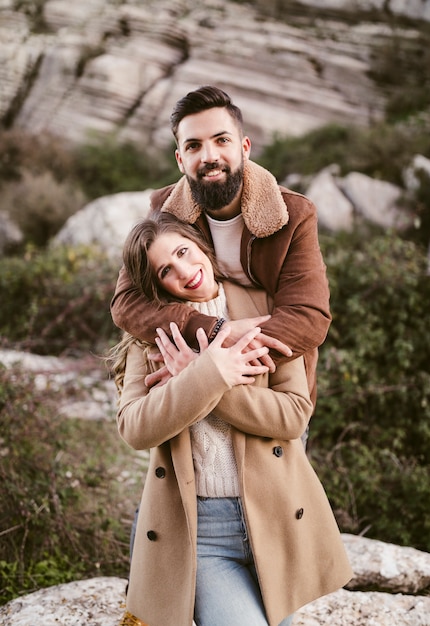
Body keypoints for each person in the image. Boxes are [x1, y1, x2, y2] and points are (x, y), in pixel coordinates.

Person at [111, 213, 352, 626]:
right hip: (202, 534)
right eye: (166, 270)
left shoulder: (265, 304)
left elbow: (293, 415)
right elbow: (135, 428)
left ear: (202, 245)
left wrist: (209, 381)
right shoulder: (154, 334)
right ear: (156, 285)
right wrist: (207, 376)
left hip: (275, 516)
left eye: (184, 252)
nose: (185, 272)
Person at [111, 85, 331, 411]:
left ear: (245, 147)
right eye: (194, 146)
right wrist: (213, 333)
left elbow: (308, 317)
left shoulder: (294, 214)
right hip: (191, 381)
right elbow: (126, 302)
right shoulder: (165, 209)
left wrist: (212, 364)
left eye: (221, 140)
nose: (209, 156)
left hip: (273, 391)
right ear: (180, 159)